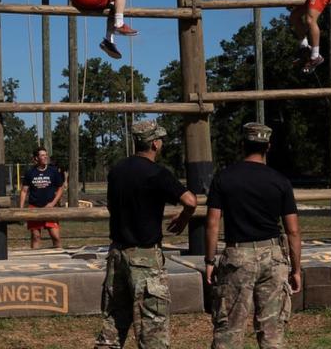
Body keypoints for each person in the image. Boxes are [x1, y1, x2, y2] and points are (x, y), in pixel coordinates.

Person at [95, 120, 198, 349]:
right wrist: (183, 218)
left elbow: (113, 206)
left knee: (113, 322)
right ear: (155, 144)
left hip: (117, 254)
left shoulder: (117, 171)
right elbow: (191, 200)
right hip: (145, 258)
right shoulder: (157, 173)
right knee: (153, 329)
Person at [204, 122, 302, 349]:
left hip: (238, 256)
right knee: (272, 333)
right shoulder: (280, 181)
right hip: (273, 257)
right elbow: (293, 230)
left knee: (229, 330)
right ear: (268, 146)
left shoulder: (224, 178)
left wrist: (210, 261)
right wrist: (295, 269)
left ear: (242, 146)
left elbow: (212, 223)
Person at [19, 146, 65, 249]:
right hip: (34, 207)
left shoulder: (53, 171)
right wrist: (20, 208)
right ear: (36, 158)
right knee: (36, 236)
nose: (45, 157)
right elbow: (24, 191)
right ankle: (35, 259)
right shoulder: (30, 173)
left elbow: (61, 188)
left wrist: (53, 203)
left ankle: (58, 255)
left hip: (50, 208)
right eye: (42, 155)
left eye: (46, 155)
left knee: (55, 236)